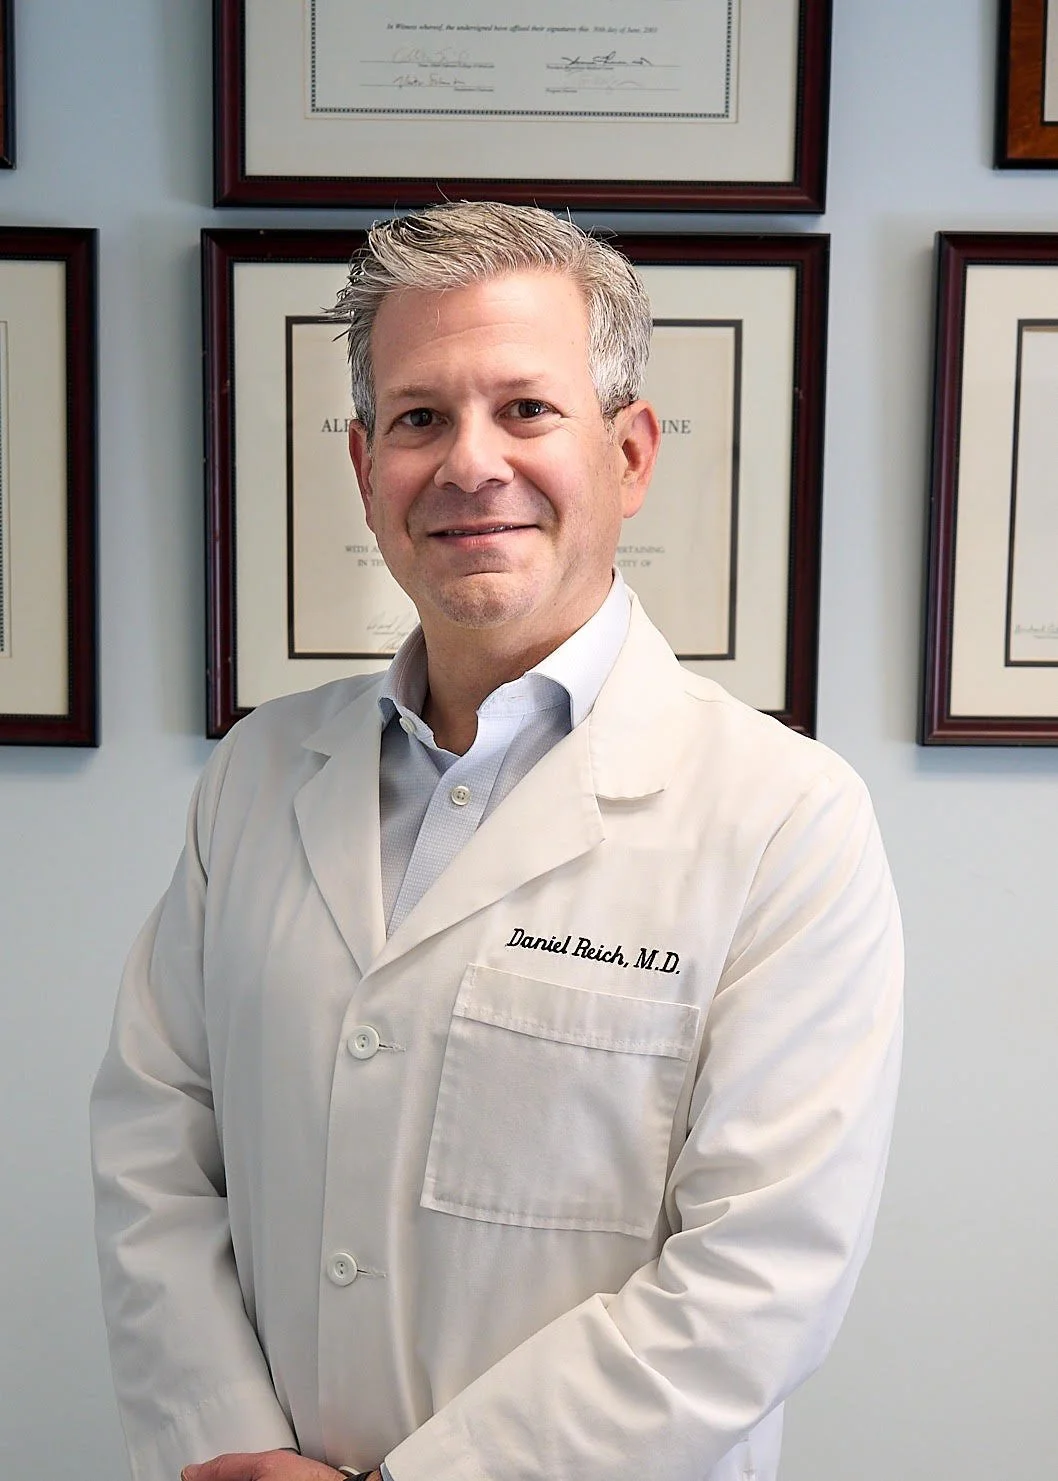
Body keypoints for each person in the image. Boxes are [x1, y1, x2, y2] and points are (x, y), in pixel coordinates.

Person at [90, 201, 903, 1481]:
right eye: (418, 417)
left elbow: (757, 1272)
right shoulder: (255, 775)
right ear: (365, 466)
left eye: (525, 409)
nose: (469, 463)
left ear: (628, 454)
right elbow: (155, 1144)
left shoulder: (781, 817)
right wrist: (224, 1441)